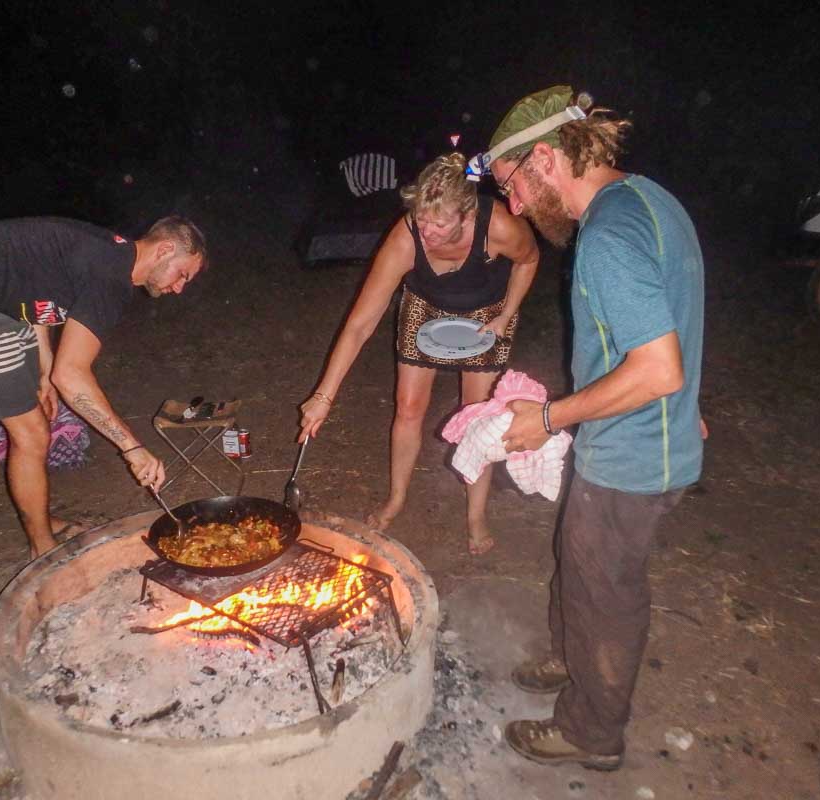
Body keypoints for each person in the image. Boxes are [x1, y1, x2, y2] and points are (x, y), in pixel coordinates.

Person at [480, 86, 705, 770]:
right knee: (577, 568)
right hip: (641, 436)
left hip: (634, 455)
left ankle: (591, 733)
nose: (513, 206)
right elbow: (676, 316)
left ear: (546, 158)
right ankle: (567, 658)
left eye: (512, 184)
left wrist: (547, 418)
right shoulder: (648, 200)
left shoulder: (606, 235)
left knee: (605, 593)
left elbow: (657, 368)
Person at [0, 216, 207, 559]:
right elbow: (71, 375)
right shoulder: (109, 278)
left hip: (4, 298)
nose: (179, 288)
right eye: (182, 275)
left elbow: (38, 292)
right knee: (31, 435)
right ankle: (40, 548)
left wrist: (44, 371)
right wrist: (131, 448)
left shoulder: (113, 255)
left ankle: (42, 520)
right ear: (164, 249)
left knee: (37, 423)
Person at [298, 153, 540, 554]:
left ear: (465, 214)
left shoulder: (498, 225)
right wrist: (324, 396)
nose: (425, 230)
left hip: (486, 312)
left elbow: (530, 259)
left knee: (477, 415)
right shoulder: (406, 237)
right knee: (408, 407)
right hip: (425, 306)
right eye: (421, 218)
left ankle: (476, 515)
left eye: (438, 223)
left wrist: (508, 313)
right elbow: (360, 323)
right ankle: (396, 498)